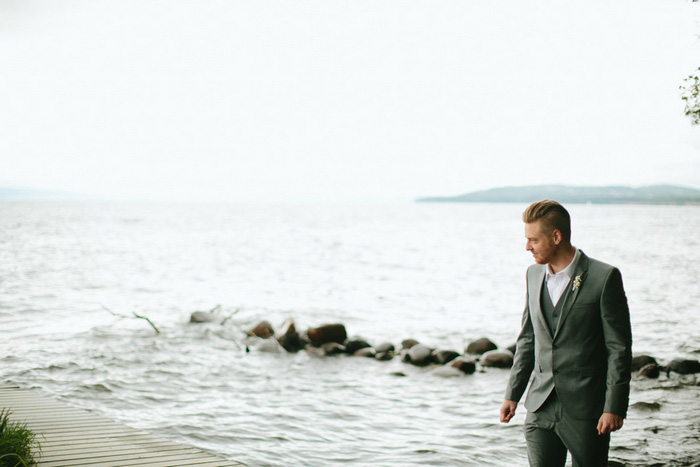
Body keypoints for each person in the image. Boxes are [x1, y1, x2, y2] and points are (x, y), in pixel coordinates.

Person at [500, 200, 632, 467]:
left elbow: (618, 348)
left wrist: (614, 407)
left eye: (533, 240)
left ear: (556, 237)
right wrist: (512, 394)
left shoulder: (604, 277)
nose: (527, 247)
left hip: (587, 410)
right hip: (539, 406)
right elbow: (528, 339)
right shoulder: (533, 275)